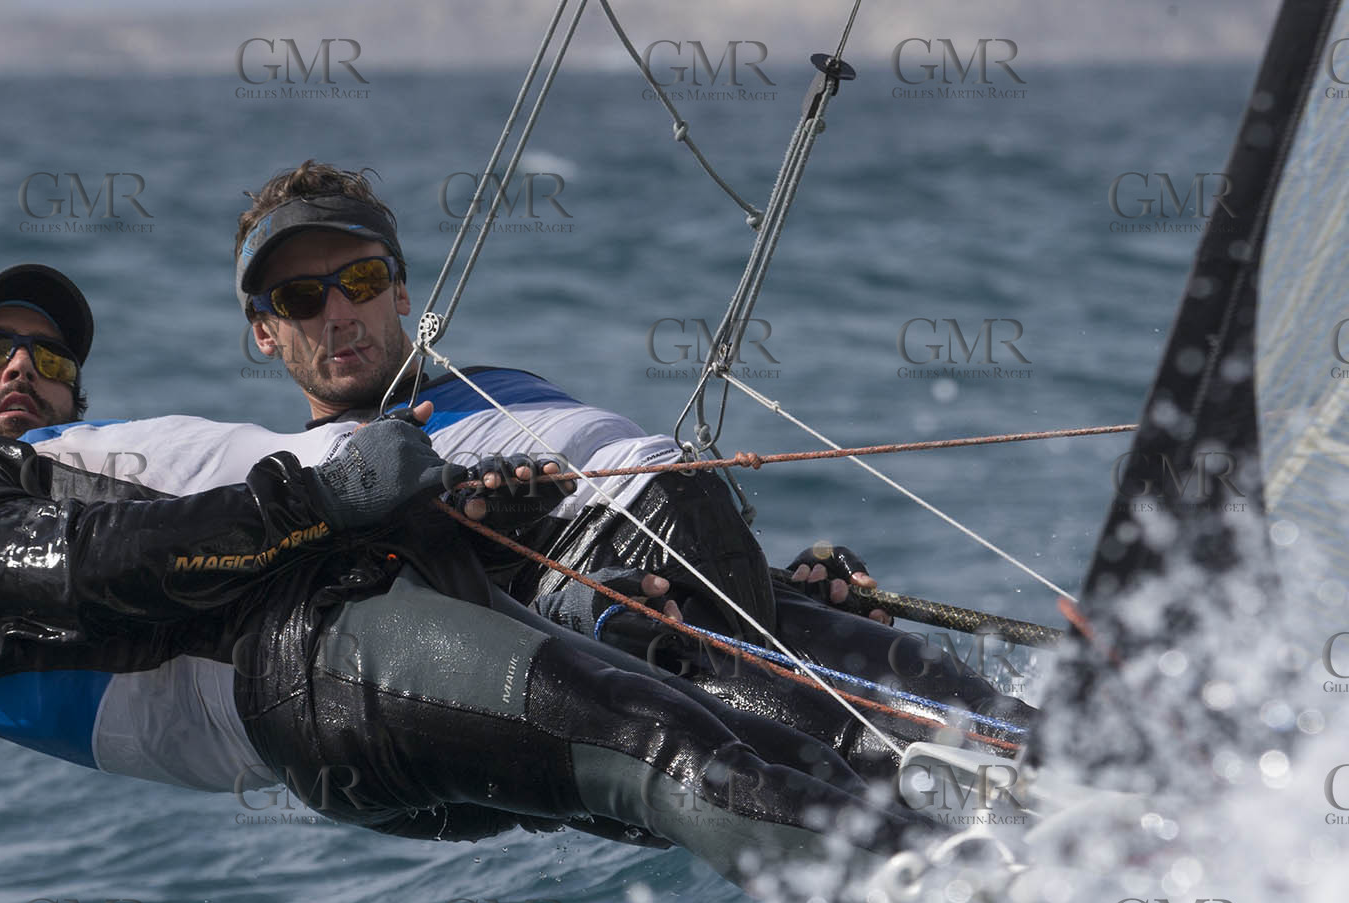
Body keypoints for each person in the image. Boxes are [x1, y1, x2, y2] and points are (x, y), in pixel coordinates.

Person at [0, 262, 935, 894]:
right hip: (317, 674)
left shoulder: (100, 463)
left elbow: (236, 550)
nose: (24, 365)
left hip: (389, 659)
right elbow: (99, 565)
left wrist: (509, 541)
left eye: (52, 359)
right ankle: (944, 887)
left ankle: (945, 837)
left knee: (735, 740)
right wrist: (320, 497)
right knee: (663, 742)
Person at [230, 161, 1036, 768]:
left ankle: (1095, 755)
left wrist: (780, 580)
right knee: (886, 750)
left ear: (400, 292)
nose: (339, 312)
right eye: (300, 299)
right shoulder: (318, 474)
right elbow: (415, 623)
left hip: (705, 556)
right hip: (621, 606)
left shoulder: (503, 382)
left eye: (361, 280)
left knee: (960, 696)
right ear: (264, 332)